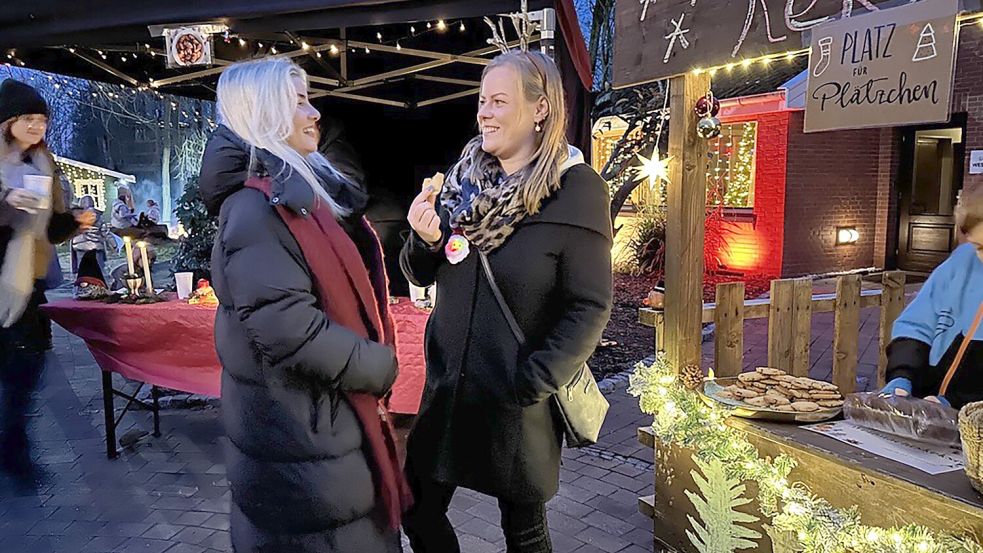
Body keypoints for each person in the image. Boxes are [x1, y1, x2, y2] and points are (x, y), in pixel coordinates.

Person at [400, 50, 613, 553]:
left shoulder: (576, 192)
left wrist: (533, 380)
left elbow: (590, 305)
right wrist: (424, 239)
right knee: (416, 509)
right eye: (481, 101)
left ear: (541, 109)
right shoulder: (462, 179)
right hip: (450, 389)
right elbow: (420, 271)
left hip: (517, 399)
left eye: (499, 101)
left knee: (524, 533)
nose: (484, 113)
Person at [198, 57, 408, 553]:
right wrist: (377, 366)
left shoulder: (295, 193)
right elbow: (288, 328)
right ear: (266, 112)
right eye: (299, 102)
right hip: (303, 438)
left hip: (310, 431)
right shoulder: (256, 207)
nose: (315, 114)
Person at [0, 79, 94, 483]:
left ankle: (14, 453)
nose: (39, 127)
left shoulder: (44, 165)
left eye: (43, 120)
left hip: (27, 282)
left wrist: (74, 221)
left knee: (26, 368)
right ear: (7, 121)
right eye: (29, 119)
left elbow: (50, 228)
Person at [882, 186, 983, 409]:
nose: (980, 257)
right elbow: (917, 324)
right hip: (927, 409)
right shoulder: (963, 261)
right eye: (977, 246)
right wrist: (902, 376)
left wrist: (957, 402)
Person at [70, 195, 109, 273]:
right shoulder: (99, 216)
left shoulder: (78, 216)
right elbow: (105, 232)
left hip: (80, 245)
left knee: (83, 270)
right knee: (99, 269)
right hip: (97, 246)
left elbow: (72, 231)